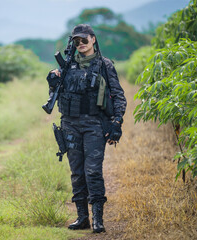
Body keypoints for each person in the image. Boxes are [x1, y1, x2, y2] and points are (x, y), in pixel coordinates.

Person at [46, 24, 127, 233]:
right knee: (77, 173)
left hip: (94, 125)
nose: (80, 44)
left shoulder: (104, 65)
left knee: (92, 171)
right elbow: (56, 94)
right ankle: (82, 218)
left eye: (84, 40)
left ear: (92, 39)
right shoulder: (66, 66)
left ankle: (98, 219)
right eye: (76, 41)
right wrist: (53, 82)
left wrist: (117, 122)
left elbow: (118, 95)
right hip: (70, 124)